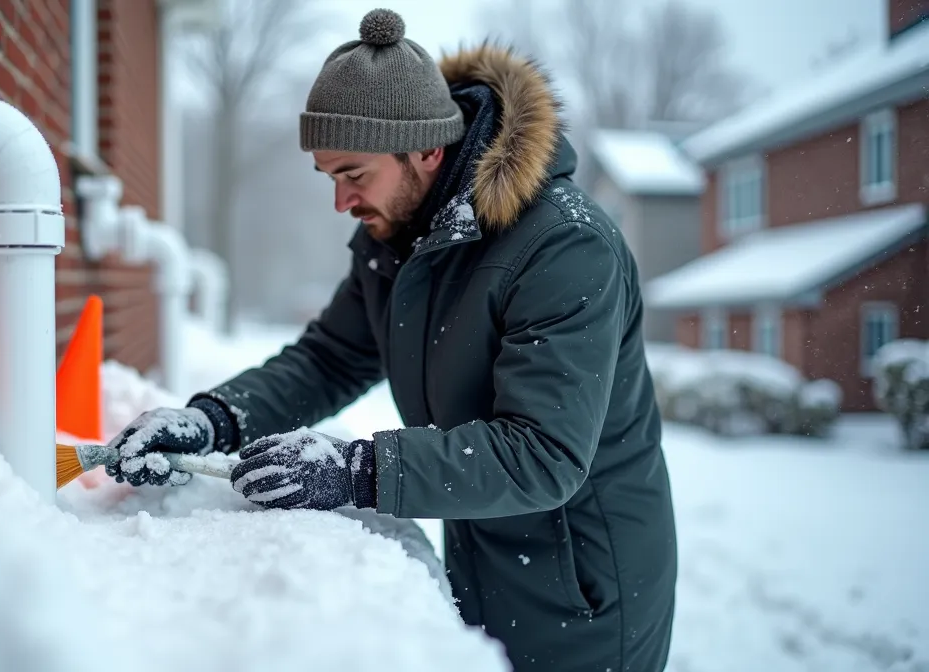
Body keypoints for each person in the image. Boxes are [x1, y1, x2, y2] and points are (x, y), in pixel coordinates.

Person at [101, 8, 677, 672]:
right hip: (483, 550)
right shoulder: (396, 241)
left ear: (427, 151)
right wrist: (211, 419)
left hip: (584, 590)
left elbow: (541, 452)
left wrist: (358, 472)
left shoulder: (565, 246)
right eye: (330, 178)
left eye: (354, 175)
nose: (341, 203)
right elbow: (330, 358)